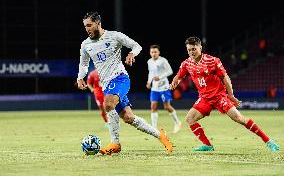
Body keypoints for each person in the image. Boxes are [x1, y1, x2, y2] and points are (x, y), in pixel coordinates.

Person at [76, 11, 173, 155]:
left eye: (89, 25)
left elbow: (137, 46)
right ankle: (161, 135)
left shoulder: (114, 36)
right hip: (107, 84)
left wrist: (132, 54)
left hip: (120, 78)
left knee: (108, 104)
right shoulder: (86, 44)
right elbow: (84, 64)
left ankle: (115, 143)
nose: (87, 28)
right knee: (128, 117)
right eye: (85, 26)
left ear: (98, 23)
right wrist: (80, 77)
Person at [169, 36, 280, 151]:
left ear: (200, 48)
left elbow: (225, 77)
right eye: (189, 50)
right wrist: (174, 82)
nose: (191, 52)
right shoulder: (186, 64)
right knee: (189, 119)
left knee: (239, 118)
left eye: (194, 49)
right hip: (204, 98)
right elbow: (179, 76)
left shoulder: (212, 61)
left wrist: (230, 95)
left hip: (219, 96)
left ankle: (268, 141)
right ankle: (208, 145)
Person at [146, 45, 182, 133]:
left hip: (164, 87)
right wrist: (149, 81)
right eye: (152, 52)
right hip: (154, 88)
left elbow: (170, 71)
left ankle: (177, 122)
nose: (153, 54)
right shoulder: (149, 61)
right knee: (153, 106)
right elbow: (151, 73)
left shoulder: (163, 60)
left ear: (158, 52)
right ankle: (154, 128)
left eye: (155, 52)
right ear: (150, 53)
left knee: (167, 107)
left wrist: (160, 77)